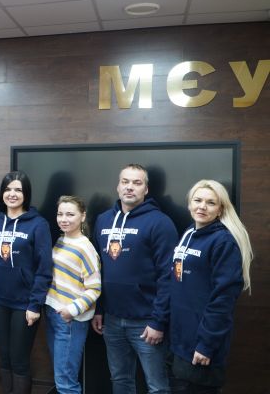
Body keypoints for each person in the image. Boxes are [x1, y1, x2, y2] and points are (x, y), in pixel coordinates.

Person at [91, 164, 178, 394]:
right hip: (111, 320)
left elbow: (168, 276)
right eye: (125, 181)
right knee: (120, 380)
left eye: (137, 183)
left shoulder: (160, 223)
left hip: (147, 322)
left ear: (146, 189)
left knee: (157, 386)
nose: (130, 187)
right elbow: (97, 270)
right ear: (118, 186)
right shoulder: (102, 220)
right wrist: (98, 309)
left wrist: (158, 321)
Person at [169, 180, 253, 393]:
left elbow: (223, 301)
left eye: (211, 202)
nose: (202, 206)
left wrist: (206, 344)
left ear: (220, 209)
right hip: (180, 340)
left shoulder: (223, 242)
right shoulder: (189, 233)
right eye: (197, 200)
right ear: (189, 204)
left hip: (201, 344)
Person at [0, 171, 53, 394]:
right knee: (4, 357)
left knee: (19, 360)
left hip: (24, 304)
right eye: (8, 189)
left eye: (18, 190)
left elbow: (44, 269)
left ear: (26, 194)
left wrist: (35, 304)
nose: (12, 194)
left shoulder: (38, 224)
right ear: (2, 193)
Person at [46, 196, 101, 394]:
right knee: (61, 377)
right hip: (53, 313)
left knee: (66, 382)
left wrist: (71, 310)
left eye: (70, 214)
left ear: (82, 216)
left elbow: (95, 288)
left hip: (70, 320)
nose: (64, 219)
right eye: (60, 214)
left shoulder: (85, 248)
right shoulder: (61, 240)